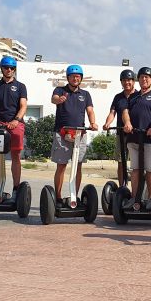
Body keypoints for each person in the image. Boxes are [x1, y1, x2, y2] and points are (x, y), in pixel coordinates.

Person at [51, 64, 98, 200]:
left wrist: (93, 123)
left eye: (78, 76)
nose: (75, 79)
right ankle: (58, 197)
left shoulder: (85, 94)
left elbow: (90, 110)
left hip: (79, 134)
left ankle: (74, 196)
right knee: (61, 165)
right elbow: (53, 99)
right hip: (62, 132)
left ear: (81, 78)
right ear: (68, 78)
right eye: (73, 76)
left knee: (78, 166)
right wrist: (58, 100)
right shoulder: (60, 90)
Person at [122, 67, 151, 205]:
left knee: (150, 169)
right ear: (138, 80)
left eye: (147, 77)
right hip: (134, 138)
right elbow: (125, 112)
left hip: (149, 139)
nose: (144, 79)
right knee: (135, 169)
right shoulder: (133, 96)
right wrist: (127, 123)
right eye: (141, 77)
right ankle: (135, 198)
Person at [0, 56, 28, 191]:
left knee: (15, 155)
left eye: (11, 68)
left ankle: (16, 188)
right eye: (6, 68)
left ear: (14, 69)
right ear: (1, 69)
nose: (9, 70)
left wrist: (16, 120)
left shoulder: (20, 86)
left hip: (15, 124)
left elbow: (23, 106)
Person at [103, 69, 138, 185]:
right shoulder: (118, 97)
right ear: (121, 82)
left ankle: (136, 189)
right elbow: (112, 112)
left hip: (136, 134)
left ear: (133, 81)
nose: (126, 82)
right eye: (124, 80)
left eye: (129, 80)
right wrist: (107, 123)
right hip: (121, 133)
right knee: (121, 162)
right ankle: (122, 187)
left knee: (136, 163)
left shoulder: (139, 96)